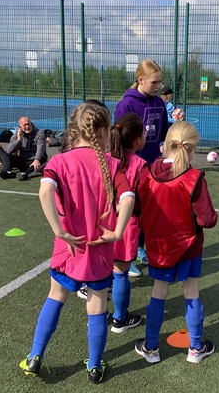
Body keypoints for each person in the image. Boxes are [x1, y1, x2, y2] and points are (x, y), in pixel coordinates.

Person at [19, 102, 135, 384]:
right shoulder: (113, 164)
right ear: (105, 131)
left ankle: (36, 356)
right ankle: (94, 368)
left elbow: (44, 191)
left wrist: (59, 231)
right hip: (100, 250)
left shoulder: (59, 162)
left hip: (67, 249)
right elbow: (128, 197)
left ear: (75, 130)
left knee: (55, 298)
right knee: (96, 308)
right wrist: (118, 232)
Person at [132, 121, 217, 364]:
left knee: (158, 293)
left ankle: (151, 347)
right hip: (189, 247)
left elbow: (136, 209)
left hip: (158, 246)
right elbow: (208, 219)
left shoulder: (146, 173)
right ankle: (196, 348)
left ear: (164, 145)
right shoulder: (194, 178)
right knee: (191, 292)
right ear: (192, 149)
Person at [77, 112, 147, 331]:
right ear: (138, 140)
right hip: (125, 226)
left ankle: (96, 313)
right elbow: (142, 200)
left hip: (101, 224)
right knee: (120, 273)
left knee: (101, 271)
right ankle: (120, 318)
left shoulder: (104, 160)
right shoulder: (141, 165)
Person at [114, 59, 171, 267]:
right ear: (140, 80)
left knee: (149, 209)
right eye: (154, 82)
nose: (158, 86)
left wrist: (176, 121)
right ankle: (125, 256)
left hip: (152, 166)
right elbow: (118, 138)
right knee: (130, 211)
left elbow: (164, 133)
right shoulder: (127, 104)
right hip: (131, 168)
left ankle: (140, 248)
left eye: (159, 82)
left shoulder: (159, 103)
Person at [0, 116, 47, 181]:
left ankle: (25, 174)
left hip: (35, 159)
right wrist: (18, 140)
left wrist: (37, 160)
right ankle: (7, 172)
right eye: (25, 125)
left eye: (28, 124)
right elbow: (8, 151)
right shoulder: (16, 135)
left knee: (38, 165)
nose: (27, 127)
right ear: (20, 127)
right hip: (23, 159)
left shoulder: (39, 133)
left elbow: (41, 148)